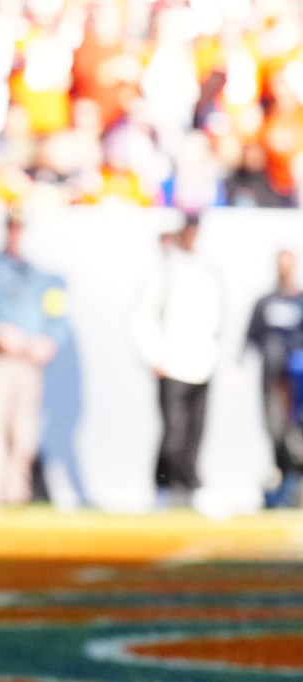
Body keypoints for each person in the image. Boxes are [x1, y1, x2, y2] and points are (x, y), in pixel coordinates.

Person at [0, 208, 70, 506]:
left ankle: (15, 492)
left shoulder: (45, 274)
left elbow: (57, 315)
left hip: (29, 362)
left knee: (24, 431)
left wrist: (49, 340)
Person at [135, 214, 220, 506]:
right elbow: (143, 317)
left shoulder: (206, 271)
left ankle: (183, 488)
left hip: (201, 364)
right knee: (173, 432)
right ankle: (168, 487)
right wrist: (153, 356)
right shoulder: (167, 271)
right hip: (172, 365)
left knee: (195, 433)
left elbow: (215, 318)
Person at [245, 248, 303, 507]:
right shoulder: (265, 301)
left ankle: (295, 483)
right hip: (272, 381)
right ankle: (283, 480)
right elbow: (251, 336)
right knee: (275, 431)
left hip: (297, 382)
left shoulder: (300, 300)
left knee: (295, 434)